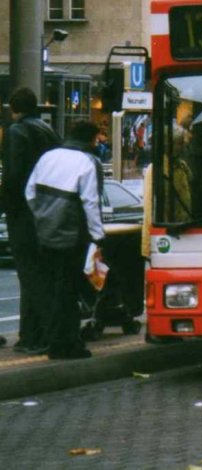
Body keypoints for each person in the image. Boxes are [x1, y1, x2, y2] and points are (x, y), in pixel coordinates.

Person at [25, 121, 106, 360]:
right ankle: (69, 344)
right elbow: (91, 202)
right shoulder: (88, 163)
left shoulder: (47, 157)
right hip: (72, 236)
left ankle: (54, 341)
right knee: (70, 291)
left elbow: (30, 192)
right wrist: (98, 234)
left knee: (53, 289)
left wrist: (42, 216)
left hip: (45, 233)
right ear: (90, 140)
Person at [0, 87, 61, 354]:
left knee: (30, 274)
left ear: (13, 109)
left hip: (24, 212)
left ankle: (41, 335)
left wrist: (6, 207)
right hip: (48, 211)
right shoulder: (48, 130)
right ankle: (30, 334)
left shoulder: (17, 131)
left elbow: (14, 176)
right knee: (40, 273)